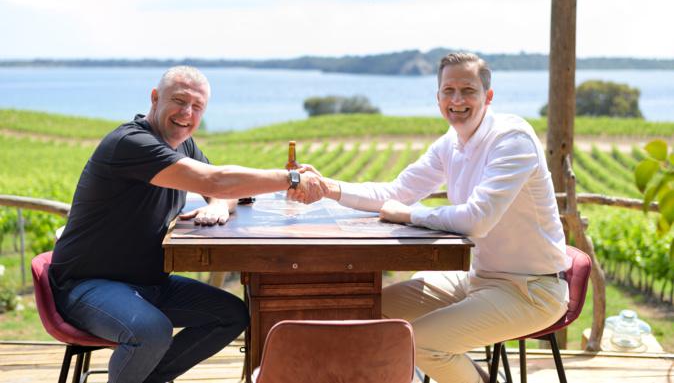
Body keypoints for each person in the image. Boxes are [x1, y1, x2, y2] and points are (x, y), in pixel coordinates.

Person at [302, 53, 570, 383]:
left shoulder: (511, 140)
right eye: (448, 90)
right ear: (438, 97)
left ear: (488, 97)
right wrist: (330, 187)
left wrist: (410, 215)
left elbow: (477, 219)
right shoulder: (450, 144)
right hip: (479, 277)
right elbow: (396, 191)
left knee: (421, 344)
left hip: (531, 290)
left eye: (468, 90)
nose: (457, 100)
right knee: (370, 308)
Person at [49, 66, 325, 383]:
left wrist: (219, 204)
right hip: (88, 285)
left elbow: (221, 189)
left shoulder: (182, 144)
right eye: (179, 101)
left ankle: (148, 378)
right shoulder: (131, 143)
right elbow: (217, 180)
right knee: (151, 331)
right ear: (155, 98)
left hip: (150, 284)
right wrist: (291, 178)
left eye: (197, 107)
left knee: (231, 315)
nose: (187, 113)